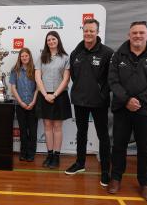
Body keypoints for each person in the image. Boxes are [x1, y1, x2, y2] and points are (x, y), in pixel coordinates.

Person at [107, 21, 147, 201]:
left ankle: (145, 183)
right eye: (134, 32)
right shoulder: (117, 55)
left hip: (146, 110)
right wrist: (127, 100)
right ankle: (116, 178)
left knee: (145, 148)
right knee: (118, 145)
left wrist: (140, 101)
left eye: (141, 32)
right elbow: (112, 81)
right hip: (122, 108)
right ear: (129, 35)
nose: (137, 35)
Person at [64, 19, 113, 187]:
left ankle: (106, 170)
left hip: (99, 102)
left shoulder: (107, 53)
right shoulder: (76, 52)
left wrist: (100, 94)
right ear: (83, 31)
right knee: (81, 133)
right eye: (86, 30)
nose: (88, 33)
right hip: (79, 100)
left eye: (92, 31)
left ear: (97, 32)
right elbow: (74, 77)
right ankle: (80, 163)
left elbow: (110, 79)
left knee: (103, 136)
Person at [35, 31, 72, 169]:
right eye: (48, 40)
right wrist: (45, 94)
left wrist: (54, 95)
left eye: (53, 39)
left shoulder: (65, 57)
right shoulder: (42, 57)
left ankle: (56, 156)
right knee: (47, 126)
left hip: (59, 96)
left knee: (57, 127)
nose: (51, 41)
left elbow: (66, 79)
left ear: (58, 40)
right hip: (44, 95)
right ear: (46, 42)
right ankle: (49, 154)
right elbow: (38, 77)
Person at [9, 48, 38, 162]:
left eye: (26, 56)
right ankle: (23, 152)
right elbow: (13, 88)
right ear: (19, 58)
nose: (24, 58)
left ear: (29, 57)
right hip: (20, 105)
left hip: (33, 105)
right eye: (22, 56)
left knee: (33, 130)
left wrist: (33, 102)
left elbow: (38, 88)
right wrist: (20, 102)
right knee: (22, 129)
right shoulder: (15, 70)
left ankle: (31, 153)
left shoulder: (35, 70)